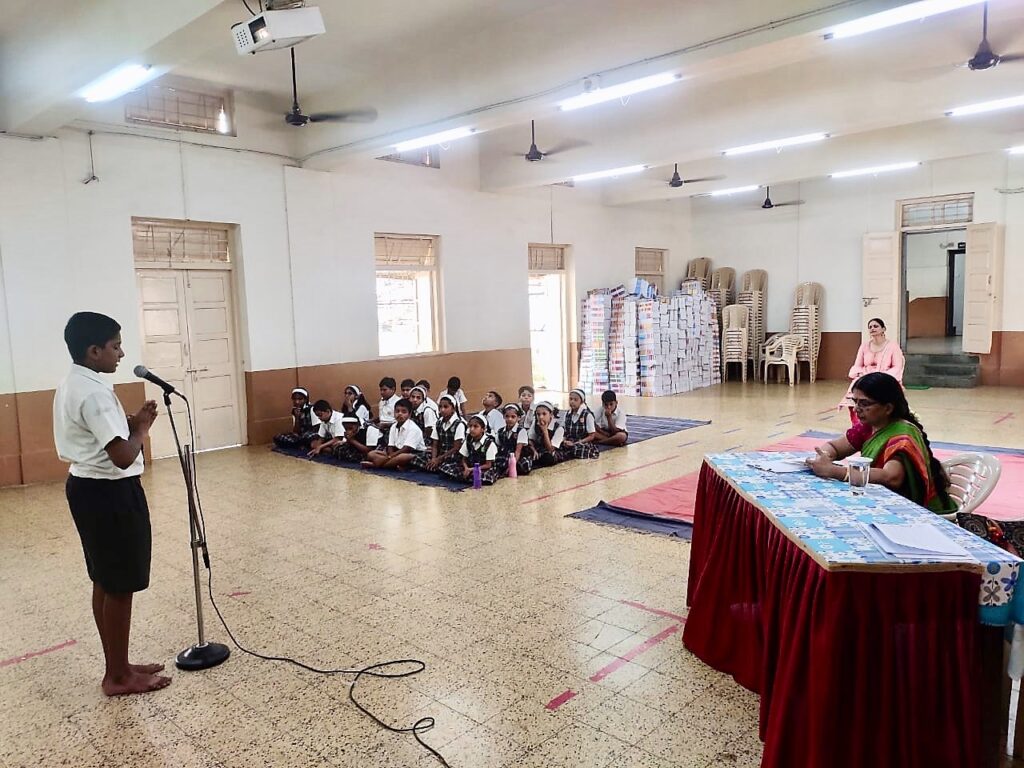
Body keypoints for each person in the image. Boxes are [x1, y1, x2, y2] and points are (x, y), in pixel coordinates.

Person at [53, 312, 171, 696]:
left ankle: (118, 663)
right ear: (94, 350)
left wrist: (131, 424)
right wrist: (141, 429)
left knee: (105, 579)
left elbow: (103, 437)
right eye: (115, 346)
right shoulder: (94, 393)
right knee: (119, 583)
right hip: (109, 493)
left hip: (87, 488)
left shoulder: (75, 382)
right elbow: (121, 456)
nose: (121, 354)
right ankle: (117, 677)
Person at [809, 372, 955, 513]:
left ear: (888, 408)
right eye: (855, 402)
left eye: (864, 403)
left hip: (913, 511)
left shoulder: (903, 437)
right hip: (878, 502)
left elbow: (891, 477)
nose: (856, 409)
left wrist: (834, 471)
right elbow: (834, 447)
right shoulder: (868, 427)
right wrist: (823, 456)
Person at [837, 318, 905, 425]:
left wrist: (880, 377)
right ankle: (858, 426)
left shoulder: (893, 346)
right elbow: (857, 365)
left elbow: (897, 367)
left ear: (883, 329)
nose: (872, 328)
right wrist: (863, 375)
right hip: (865, 378)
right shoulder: (864, 346)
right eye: (870, 327)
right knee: (854, 394)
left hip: (884, 379)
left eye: (876, 326)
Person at [362, 399, 426, 470]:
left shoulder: (413, 428)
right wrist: (390, 456)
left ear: (409, 414)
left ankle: (376, 465)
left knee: (402, 457)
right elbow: (390, 446)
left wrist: (389, 457)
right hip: (396, 452)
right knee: (371, 454)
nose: (400, 414)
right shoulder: (393, 426)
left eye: (404, 412)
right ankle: (394, 465)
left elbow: (406, 449)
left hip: (413, 453)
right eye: (397, 411)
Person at [412, 394, 465, 473]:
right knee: (416, 458)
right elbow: (435, 444)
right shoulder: (438, 423)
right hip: (440, 453)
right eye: (440, 407)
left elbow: (456, 448)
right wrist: (434, 458)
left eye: (446, 407)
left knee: (448, 467)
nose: (442, 410)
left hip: (452, 455)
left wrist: (439, 459)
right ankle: (434, 466)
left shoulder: (459, 424)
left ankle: (435, 467)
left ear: (453, 409)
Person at [443, 414, 499, 485]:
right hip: (470, 466)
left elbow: (488, 465)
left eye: (476, 426)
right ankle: (467, 477)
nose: (472, 429)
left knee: (482, 475)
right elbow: (463, 458)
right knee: (447, 467)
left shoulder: (489, 443)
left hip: (483, 468)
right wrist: (466, 468)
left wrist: (472, 469)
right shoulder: (468, 439)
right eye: (470, 426)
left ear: (483, 429)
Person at [561, 388, 600, 459]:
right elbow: (564, 432)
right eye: (571, 399)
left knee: (577, 449)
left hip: (582, 442)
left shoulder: (587, 415)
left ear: (581, 402)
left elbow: (591, 436)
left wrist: (577, 443)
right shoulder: (567, 414)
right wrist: (564, 441)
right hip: (569, 441)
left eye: (575, 400)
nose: (572, 402)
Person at [527, 401, 568, 468]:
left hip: (551, 452)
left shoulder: (559, 428)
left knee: (548, 457)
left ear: (551, 414)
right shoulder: (535, 423)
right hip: (538, 449)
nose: (541, 417)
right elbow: (530, 440)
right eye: (538, 414)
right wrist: (534, 450)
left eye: (544, 414)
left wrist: (545, 431)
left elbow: (551, 449)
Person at [495, 403, 532, 477]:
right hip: (506, 456)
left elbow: (518, 451)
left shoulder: (521, 431)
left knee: (522, 466)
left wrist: (511, 467)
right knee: (498, 463)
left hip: (519, 457)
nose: (509, 419)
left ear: (518, 418)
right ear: (503, 416)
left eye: (513, 417)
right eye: (507, 416)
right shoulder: (500, 431)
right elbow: (499, 446)